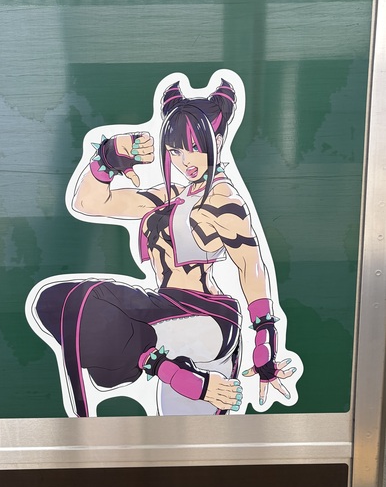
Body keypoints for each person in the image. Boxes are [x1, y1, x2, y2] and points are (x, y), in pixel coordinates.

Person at [31, 75, 296, 417]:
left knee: (95, 303)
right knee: (55, 303)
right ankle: (173, 372)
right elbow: (89, 202)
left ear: (217, 140)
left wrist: (264, 338)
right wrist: (109, 157)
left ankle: (171, 370)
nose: (187, 160)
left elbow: (250, 265)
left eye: (196, 147)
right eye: (176, 150)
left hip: (206, 318)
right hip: (164, 314)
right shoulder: (168, 197)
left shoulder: (223, 200)